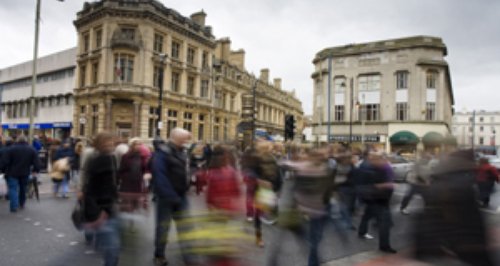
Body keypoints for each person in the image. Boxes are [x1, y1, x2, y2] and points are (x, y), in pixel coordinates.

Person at [151, 128, 193, 266]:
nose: (187, 141)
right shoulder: (162, 152)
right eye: (185, 139)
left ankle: (188, 257)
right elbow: (159, 175)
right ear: (176, 138)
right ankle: (159, 256)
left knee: (185, 227)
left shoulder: (182, 151)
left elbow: (185, 170)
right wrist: (170, 195)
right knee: (163, 228)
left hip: (181, 195)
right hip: (166, 198)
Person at [81, 132, 120, 266]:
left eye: (111, 142)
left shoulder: (111, 158)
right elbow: (93, 187)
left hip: (109, 207)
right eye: (107, 142)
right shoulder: (99, 160)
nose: (110, 144)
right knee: (112, 249)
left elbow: (112, 184)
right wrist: (100, 211)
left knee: (112, 248)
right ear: (99, 144)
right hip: (102, 209)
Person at [354, 150, 396, 253]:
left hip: (377, 200)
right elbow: (363, 185)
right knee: (384, 224)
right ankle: (384, 246)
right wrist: (383, 186)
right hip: (377, 200)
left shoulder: (379, 168)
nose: (383, 160)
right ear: (372, 159)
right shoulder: (368, 169)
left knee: (367, 217)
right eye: (380, 158)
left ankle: (362, 232)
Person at [0, 136, 41, 213]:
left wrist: (2, 169)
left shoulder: (11, 149)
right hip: (25, 172)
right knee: (23, 188)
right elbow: (37, 163)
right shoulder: (31, 149)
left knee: (13, 189)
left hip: (12, 172)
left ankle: (14, 206)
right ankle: (21, 203)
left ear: (17, 141)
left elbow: (4, 162)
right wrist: (36, 170)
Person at [117, 138, 149, 216]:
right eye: (136, 144)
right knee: (126, 205)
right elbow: (121, 169)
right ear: (132, 146)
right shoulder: (126, 156)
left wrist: (146, 175)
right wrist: (120, 180)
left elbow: (144, 169)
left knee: (136, 205)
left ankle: (133, 222)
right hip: (127, 183)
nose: (138, 146)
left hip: (138, 183)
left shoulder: (141, 157)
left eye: (139, 144)